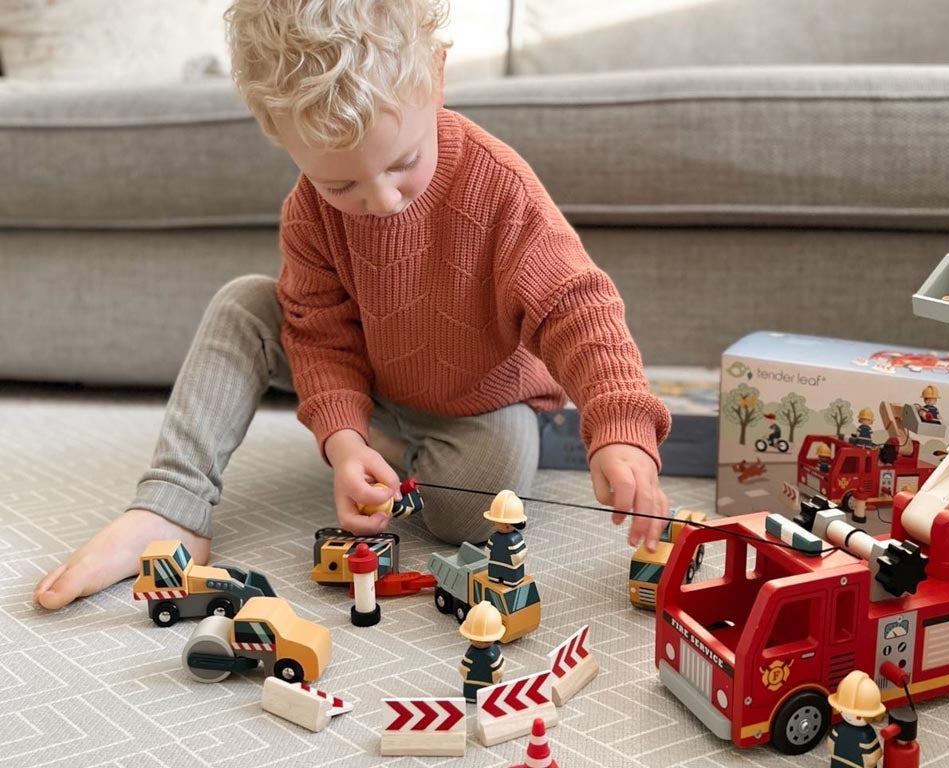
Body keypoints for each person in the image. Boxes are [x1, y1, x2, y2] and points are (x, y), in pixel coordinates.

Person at [33, 0, 671, 611]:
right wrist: (342, 439)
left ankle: (389, 451)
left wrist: (621, 427)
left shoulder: (496, 190)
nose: (383, 200)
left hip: (476, 400)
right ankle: (173, 505)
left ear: (438, 77)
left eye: (403, 163)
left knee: (475, 514)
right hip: (367, 374)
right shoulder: (309, 213)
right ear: (278, 134)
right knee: (245, 305)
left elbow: (576, 307)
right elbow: (318, 334)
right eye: (342, 183)